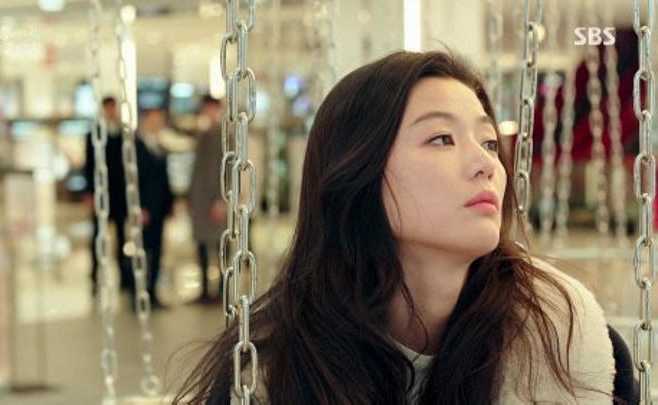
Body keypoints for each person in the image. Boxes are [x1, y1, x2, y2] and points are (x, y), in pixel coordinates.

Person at [175, 51, 620, 404]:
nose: (486, 163)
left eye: (488, 142)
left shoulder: (562, 338)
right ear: (357, 173)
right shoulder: (269, 370)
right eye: (441, 138)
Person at [84, 96, 131, 297]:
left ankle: (123, 277)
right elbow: (89, 166)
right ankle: (94, 277)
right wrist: (90, 194)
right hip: (101, 194)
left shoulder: (123, 135)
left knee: (121, 236)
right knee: (98, 236)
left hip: (119, 195)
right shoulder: (94, 135)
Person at [134, 108, 176, 310]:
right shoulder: (137, 147)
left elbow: (164, 179)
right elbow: (134, 181)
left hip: (159, 209)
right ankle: (139, 291)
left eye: (160, 121)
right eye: (154, 120)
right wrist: (140, 207)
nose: (158, 124)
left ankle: (152, 291)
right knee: (143, 250)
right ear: (146, 122)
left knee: (157, 250)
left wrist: (169, 203)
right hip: (145, 210)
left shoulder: (159, 145)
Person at [187, 95, 226, 302]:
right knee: (202, 245)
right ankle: (204, 289)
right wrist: (191, 197)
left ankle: (221, 289)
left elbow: (227, 169)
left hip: (215, 200)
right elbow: (196, 169)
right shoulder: (202, 134)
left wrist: (221, 200)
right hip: (201, 200)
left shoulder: (224, 134)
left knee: (220, 246)